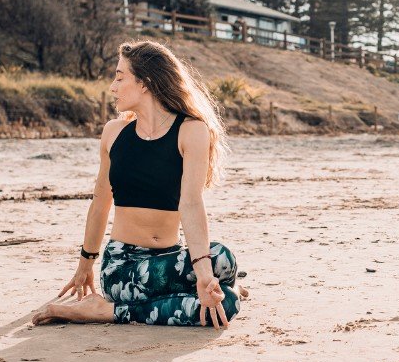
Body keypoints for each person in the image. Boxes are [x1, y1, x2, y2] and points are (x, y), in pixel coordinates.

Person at [33, 40, 244, 329]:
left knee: (223, 259)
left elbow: (191, 203)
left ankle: (122, 308)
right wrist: (85, 266)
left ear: (145, 83)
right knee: (229, 304)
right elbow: (100, 203)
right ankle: (108, 310)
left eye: (120, 77)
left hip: (168, 259)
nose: (113, 86)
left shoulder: (191, 131)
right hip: (124, 269)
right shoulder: (114, 133)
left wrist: (206, 276)